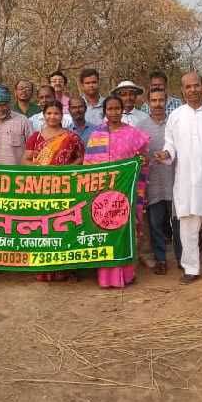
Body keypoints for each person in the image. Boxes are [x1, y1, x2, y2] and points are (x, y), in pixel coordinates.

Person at [156, 72, 202, 285]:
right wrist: (166, 154)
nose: (192, 90)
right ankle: (191, 268)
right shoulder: (176, 116)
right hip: (186, 181)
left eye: (196, 85)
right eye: (188, 87)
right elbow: (170, 144)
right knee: (188, 227)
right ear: (182, 90)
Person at [84, 96, 149, 289]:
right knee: (105, 233)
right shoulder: (96, 135)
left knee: (124, 232)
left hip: (125, 195)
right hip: (103, 196)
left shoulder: (133, 134)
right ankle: (107, 277)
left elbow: (143, 160)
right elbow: (89, 166)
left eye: (117, 108)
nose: (113, 112)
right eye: (110, 109)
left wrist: (139, 164)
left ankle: (127, 274)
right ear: (104, 111)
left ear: (122, 110)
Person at [22, 100, 85, 281]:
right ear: (43, 115)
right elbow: (25, 159)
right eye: (49, 113)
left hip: (65, 189)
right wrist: (40, 168)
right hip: (41, 189)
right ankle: (44, 269)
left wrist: (64, 170)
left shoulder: (71, 137)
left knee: (64, 226)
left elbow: (81, 159)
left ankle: (66, 268)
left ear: (61, 115)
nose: (52, 117)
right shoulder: (36, 137)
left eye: (56, 113)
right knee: (44, 228)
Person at [144, 88, 179, 275]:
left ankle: (183, 258)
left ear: (167, 101)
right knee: (155, 224)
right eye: (153, 100)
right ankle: (161, 259)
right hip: (153, 184)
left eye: (161, 100)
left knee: (179, 223)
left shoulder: (176, 123)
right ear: (148, 102)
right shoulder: (141, 126)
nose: (157, 104)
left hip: (176, 182)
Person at [0, 85, 33, 166]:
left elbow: (32, 150)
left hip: (17, 174)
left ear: (9, 103)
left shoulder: (23, 121)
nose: (0, 109)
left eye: (4, 105)